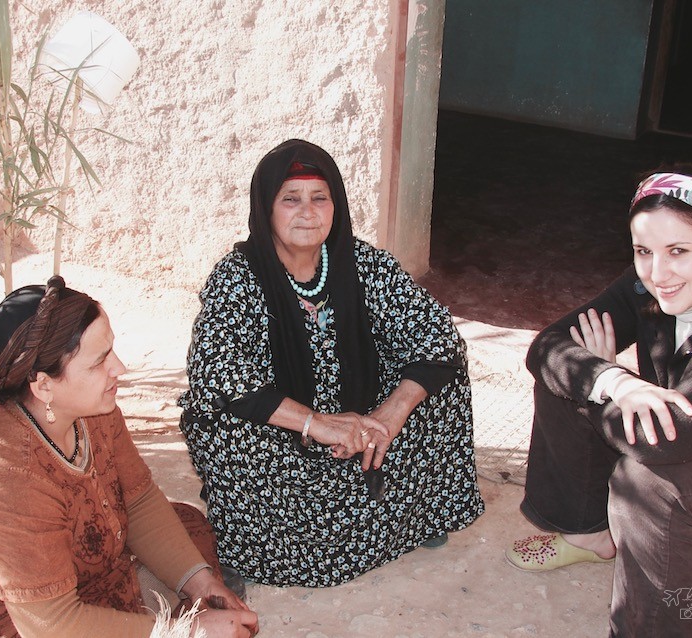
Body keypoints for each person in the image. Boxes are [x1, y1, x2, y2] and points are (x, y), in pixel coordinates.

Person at [178, 139, 483, 587]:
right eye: (291, 199)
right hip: (286, 440)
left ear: (336, 204)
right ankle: (253, 542)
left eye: (320, 197)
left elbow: (438, 335)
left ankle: (411, 511)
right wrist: (315, 423)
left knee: (441, 377)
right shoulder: (238, 276)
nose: (308, 211)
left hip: (362, 435)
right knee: (223, 419)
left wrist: (389, 416)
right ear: (266, 208)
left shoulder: (364, 264)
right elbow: (216, 368)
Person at [0, 277, 259, 638]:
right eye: (99, 362)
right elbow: (52, 624)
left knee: (185, 527)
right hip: (6, 622)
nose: (119, 368)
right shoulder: (4, 475)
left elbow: (137, 500)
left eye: (111, 350)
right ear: (43, 385)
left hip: (66, 579)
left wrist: (200, 584)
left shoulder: (95, 410)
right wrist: (187, 632)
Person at [505, 166, 692, 636]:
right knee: (573, 372)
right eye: (644, 251)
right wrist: (613, 381)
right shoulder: (648, 284)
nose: (658, 274)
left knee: (647, 479)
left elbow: (667, 441)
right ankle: (589, 531)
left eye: (679, 251)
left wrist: (604, 379)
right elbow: (548, 345)